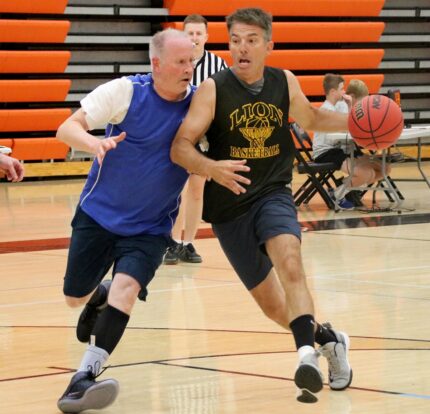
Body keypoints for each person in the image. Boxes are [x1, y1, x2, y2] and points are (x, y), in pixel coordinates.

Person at [171, 8, 352, 404]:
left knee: (290, 258)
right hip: (229, 206)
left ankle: (305, 356)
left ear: (269, 45)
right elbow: (180, 146)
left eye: (251, 40)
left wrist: (357, 123)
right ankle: (327, 340)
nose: (242, 48)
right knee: (274, 307)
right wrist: (210, 167)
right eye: (235, 40)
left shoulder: (283, 82)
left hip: (272, 191)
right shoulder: (213, 90)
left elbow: (314, 118)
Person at [55, 28, 195, 413]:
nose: (189, 68)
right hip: (98, 216)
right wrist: (94, 143)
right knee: (74, 298)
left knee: (127, 291)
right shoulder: (126, 91)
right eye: (181, 62)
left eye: (192, 60)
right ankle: (95, 295)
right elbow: (66, 127)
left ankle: (84, 377)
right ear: (156, 64)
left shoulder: (199, 106)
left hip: (150, 228)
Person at [164, 14, 228, 265]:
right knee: (176, 192)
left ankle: (188, 243)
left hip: (204, 137)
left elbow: (223, 102)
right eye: (189, 33)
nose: (194, 38)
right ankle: (171, 241)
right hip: (177, 135)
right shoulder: (173, 62)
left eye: (198, 34)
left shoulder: (219, 65)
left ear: (206, 37)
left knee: (197, 190)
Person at [313, 75, 389, 209]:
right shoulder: (327, 110)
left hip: (340, 148)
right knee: (366, 173)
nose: (344, 92)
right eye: (342, 89)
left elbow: (348, 127)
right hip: (327, 152)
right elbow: (335, 136)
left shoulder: (339, 105)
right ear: (332, 92)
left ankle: (347, 188)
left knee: (384, 168)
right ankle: (338, 194)